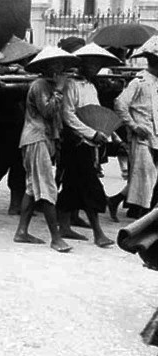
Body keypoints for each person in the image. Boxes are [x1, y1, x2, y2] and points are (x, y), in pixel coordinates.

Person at [56, 42, 119, 248]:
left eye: (98, 65)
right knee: (91, 187)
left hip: (91, 144)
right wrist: (91, 133)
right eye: (91, 64)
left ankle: (64, 226)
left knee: (72, 186)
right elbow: (68, 115)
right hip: (74, 142)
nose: (95, 68)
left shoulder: (91, 86)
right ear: (82, 63)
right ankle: (98, 233)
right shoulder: (71, 84)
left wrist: (111, 135)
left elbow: (99, 114)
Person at [14, 46, 75, 253]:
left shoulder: (47, 85)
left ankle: (22, 231)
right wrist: (59, 89)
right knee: (47, 187)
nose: (60, 68)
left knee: (32, 188)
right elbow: (48, 111)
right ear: (46, 67)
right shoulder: (40, 85)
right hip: (36, 138)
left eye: (61, 64)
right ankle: (55, 238)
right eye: (55, 65)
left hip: (43, 138)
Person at [111, 36, 158, 219]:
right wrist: (134, 125)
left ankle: (115, 200)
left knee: (149, 177)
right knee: (145, 176)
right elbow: (120, 104)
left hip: (155, 135)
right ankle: (143, 217)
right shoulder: (139, 81)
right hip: (141, 136)